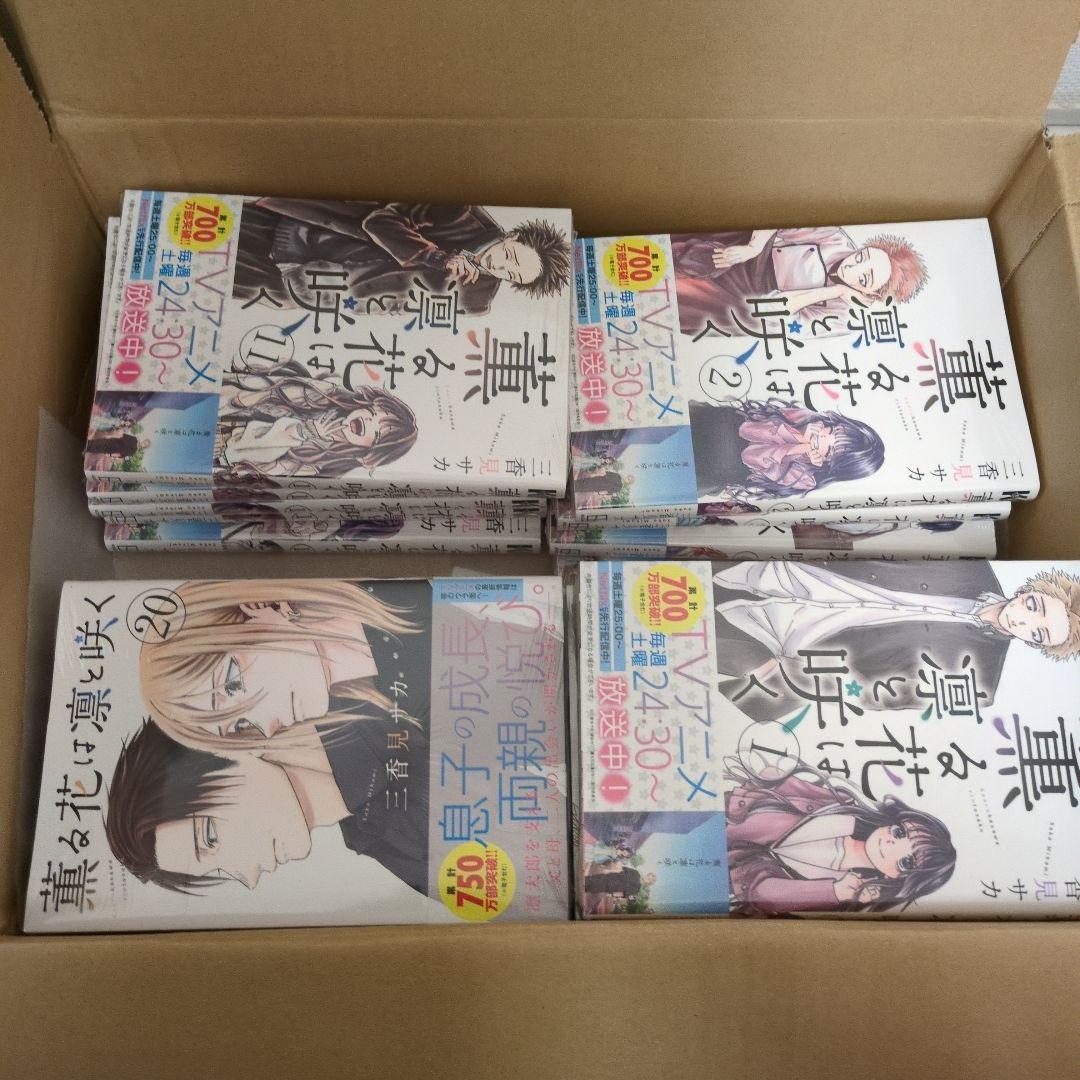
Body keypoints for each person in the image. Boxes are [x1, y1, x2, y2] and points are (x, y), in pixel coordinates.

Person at [712, 561, 1080, 721]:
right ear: (1033, 588)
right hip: (778, 573)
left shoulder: (978, 683)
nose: (1021, 619)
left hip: (777, 651)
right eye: (1034, 605)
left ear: (1039, 646)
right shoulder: (971, 568)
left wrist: (786, 674)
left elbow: (870, 694)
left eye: (1037, 633)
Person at [105, 715, 429, 896]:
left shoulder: (378, 696)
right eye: (219, 870)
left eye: (210, 836)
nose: (249, 876)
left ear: (228, 742)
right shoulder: (383, 844)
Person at [137, 579, 426, 753]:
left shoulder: (410, 596)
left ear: (256, 606)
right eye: (238, 725)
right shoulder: (392, 721)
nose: (266, 726)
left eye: (233, 683)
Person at [233, 199, 571, 316]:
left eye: (511, 275)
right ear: (512, 237)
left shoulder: (477, 300)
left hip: (303, 291)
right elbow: (380, 221)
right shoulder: (462, 214)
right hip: (298, 230)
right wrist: (438, 258)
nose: (499, 266)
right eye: (509, 256)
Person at [724, 760, 955, 915]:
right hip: (722, 820)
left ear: (897, 878)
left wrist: (835, 892)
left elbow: (762, 895)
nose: (891, 843)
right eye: (900, 832)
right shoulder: (841, 804)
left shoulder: (841, 893)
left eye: (906, 861)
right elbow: (779, 782)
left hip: (721, 876)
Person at [671, 227, 928, 339]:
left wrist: (834, 290)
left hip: (751, 298)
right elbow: (777, 224)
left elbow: (773, 315)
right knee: (698, 256)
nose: (852, 266)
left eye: (864, 278)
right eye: (861, 256)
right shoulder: (835, 238)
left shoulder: (842, 317)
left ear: (870, 294)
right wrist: (753, 247)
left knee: (708, 304)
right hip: (751, 253)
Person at [215, 372, 417, 482]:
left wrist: (305, 432)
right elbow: (263, 394)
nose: (367, 422)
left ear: (371, 451)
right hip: (225, 413)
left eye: (376, 435)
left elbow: (263, 469)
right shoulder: (327, 395)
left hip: (224, 454)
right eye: (371, 413)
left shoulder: (323, 464)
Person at [688, 399, 884, 501]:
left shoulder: (806, 479)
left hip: (709, 470)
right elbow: (747, 429)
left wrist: (799, 446)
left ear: (834, 465)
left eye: (831, 449)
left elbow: (750, 456)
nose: (823, 436)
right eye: (832, 430)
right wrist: (799, 434)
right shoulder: (807, 418)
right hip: (708, 423)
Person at [582, 863, 656, 900]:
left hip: (608, 888)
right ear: (647, 875)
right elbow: (620, 870)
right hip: (609, 877)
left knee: (588, 889)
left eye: (650, 880)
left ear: (649, 883)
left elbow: (622, 894)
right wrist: (609, 870)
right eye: (649, 876)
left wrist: (611, 895)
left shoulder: (636, 890)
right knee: (588, 880)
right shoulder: (636, 873)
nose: (648, 878)